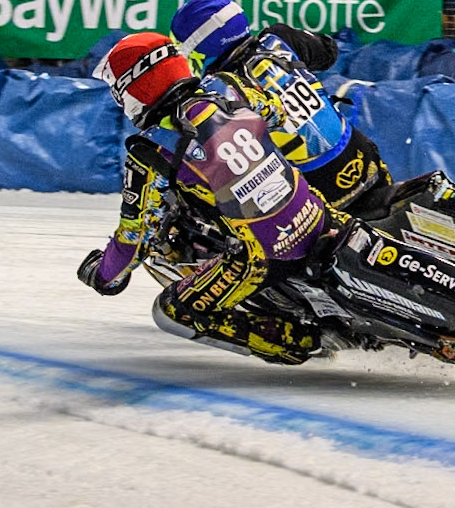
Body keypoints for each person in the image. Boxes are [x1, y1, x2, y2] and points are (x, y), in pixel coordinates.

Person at [77, 33, 347, 365]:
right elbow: (276, 113)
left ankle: (302, 340)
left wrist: (104, 276)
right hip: (316, 212)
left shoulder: (150, 152)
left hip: (265, 256)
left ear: (137, 86)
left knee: (172, 311)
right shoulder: (227, 88)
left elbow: (134, 238)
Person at [171, 0, 392, 211]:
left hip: (313, 189)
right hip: (360, 154)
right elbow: (328, 52)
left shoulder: (218, 90)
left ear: (199, 48)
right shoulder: (278, 37)